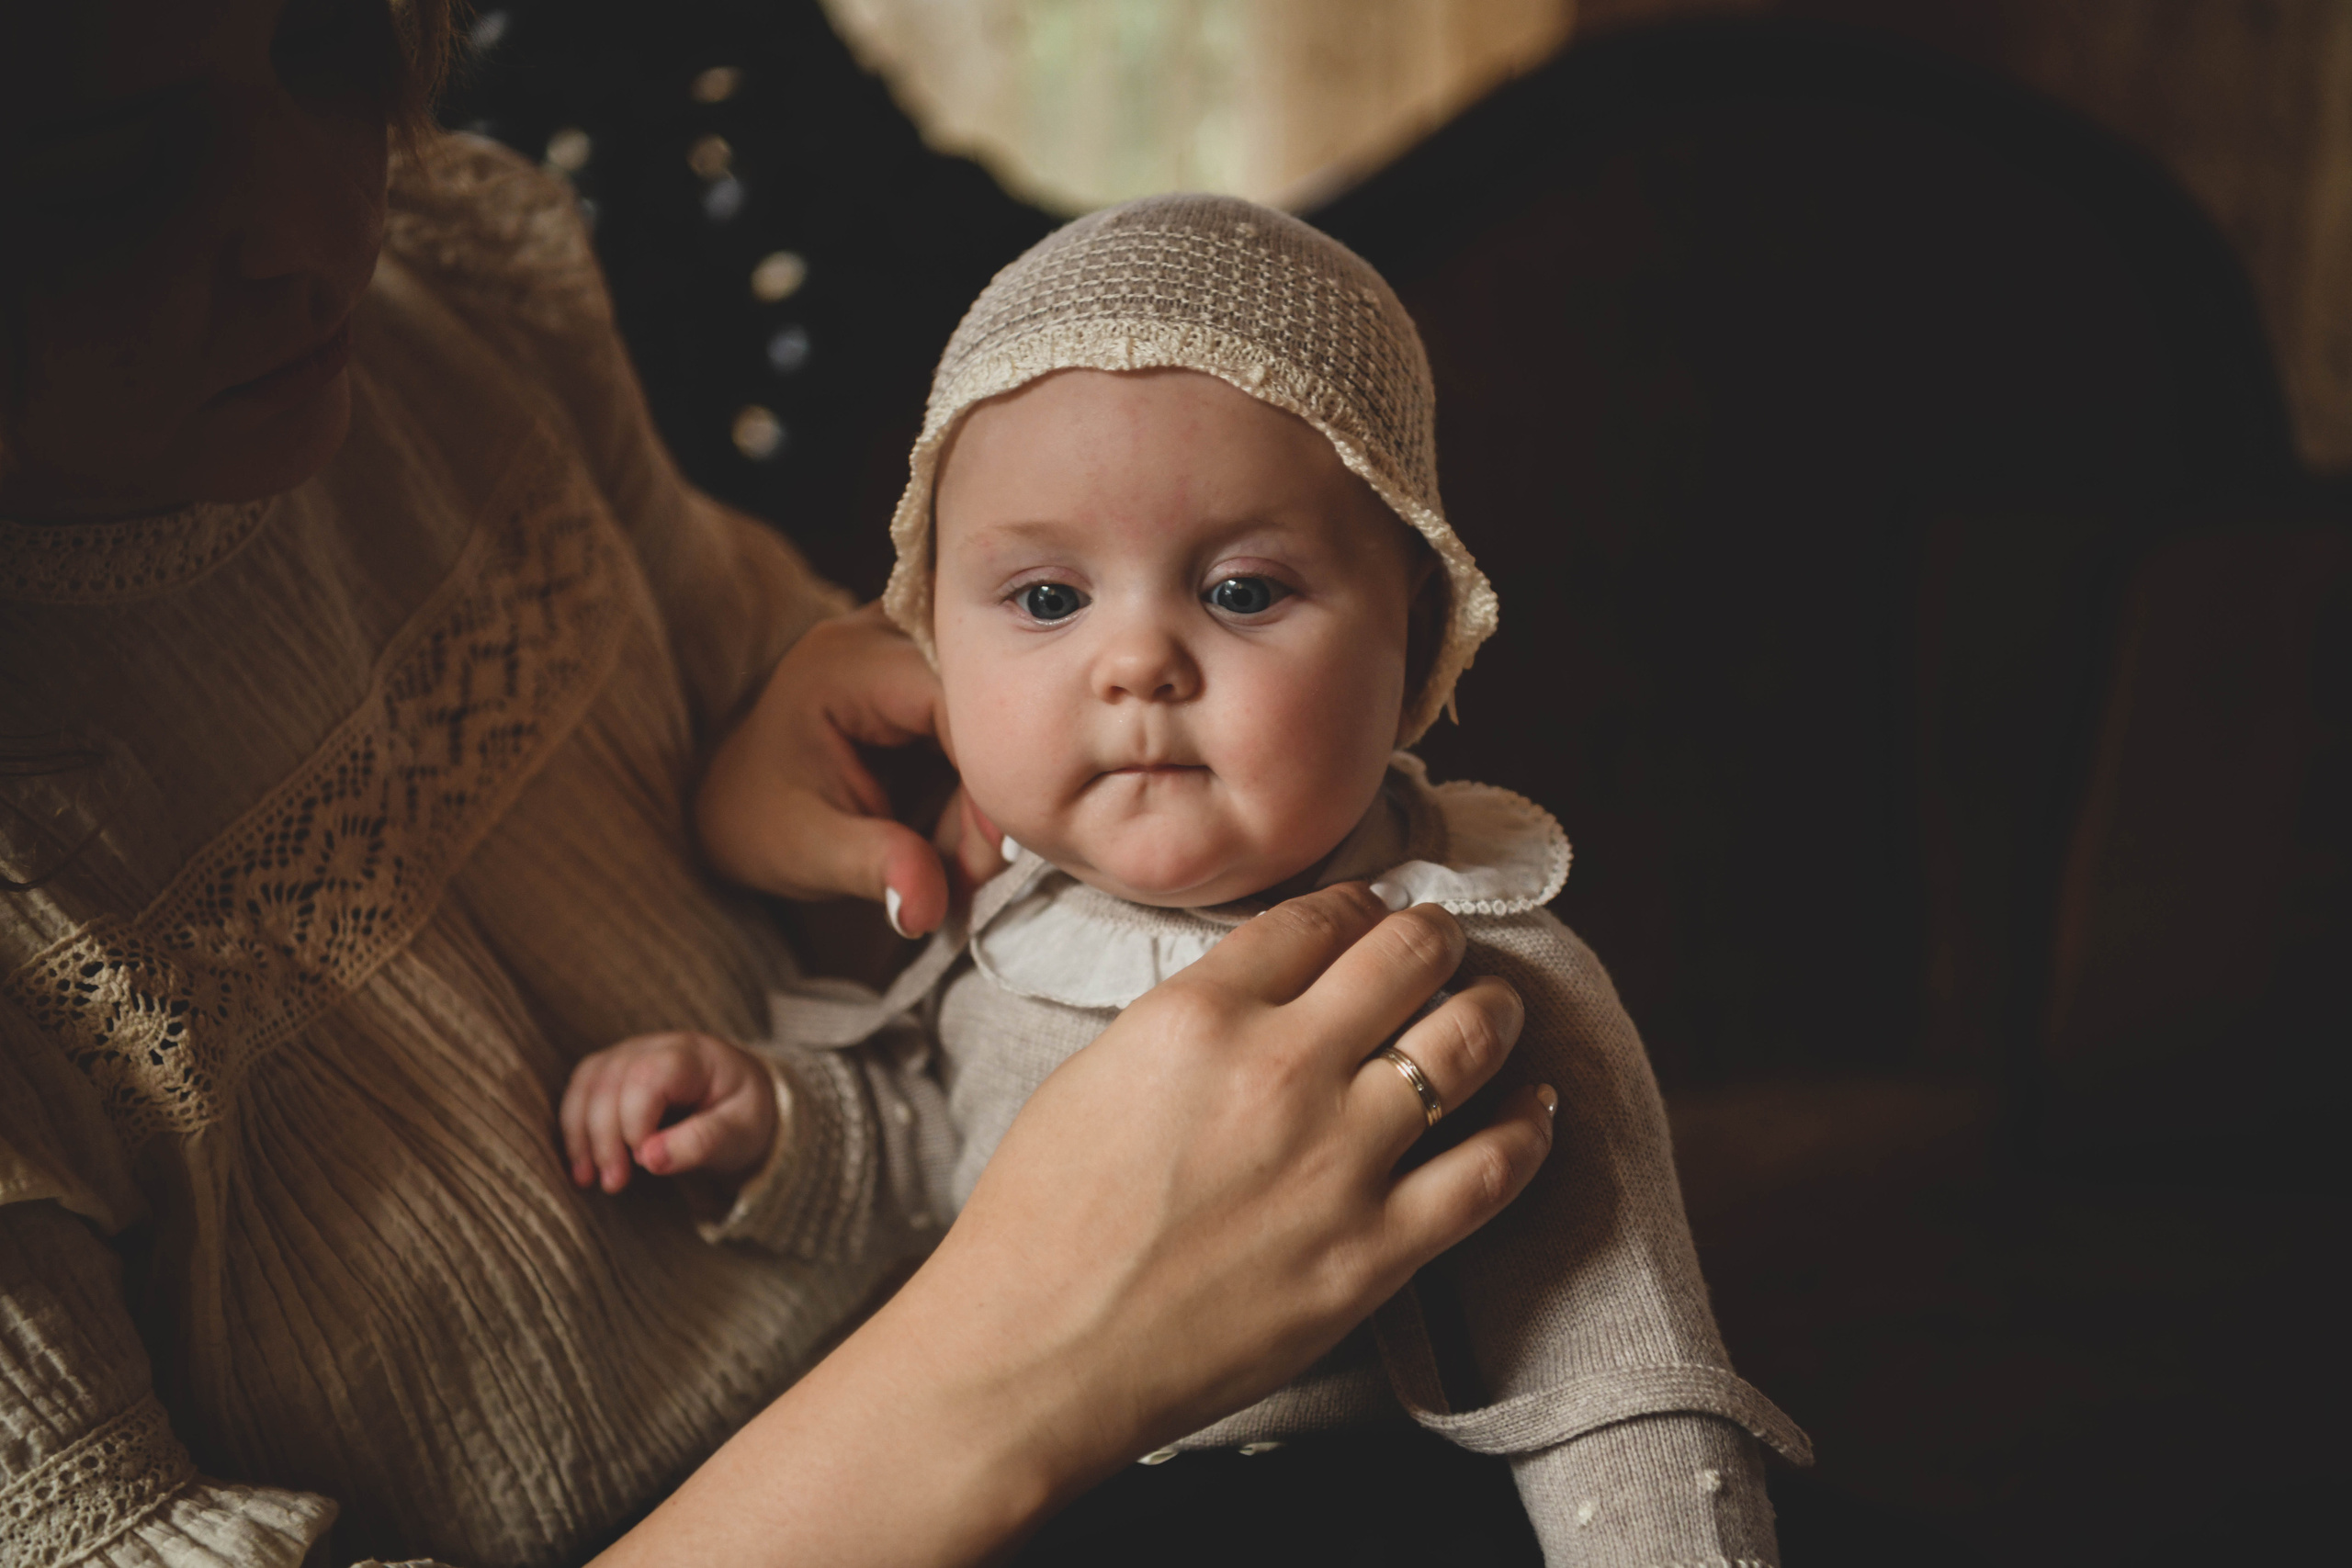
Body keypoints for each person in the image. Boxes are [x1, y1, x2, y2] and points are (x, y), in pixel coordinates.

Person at [0, 6, 1560, 1564]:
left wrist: (754, 785)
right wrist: (1031, 1354)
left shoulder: (456, 321)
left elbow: (917, 1031)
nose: (320, 229)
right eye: (107, 171)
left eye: (327, 50)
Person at [573, 196, 1812, 1565]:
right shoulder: (1008, 933)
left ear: (1413, 639)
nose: (1138, 664)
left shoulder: (1481, 983)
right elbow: (945, 1167)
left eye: (1241, 591)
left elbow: (1621, 1380)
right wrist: (779, 1121)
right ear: (930, 646)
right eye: (1048, 600)